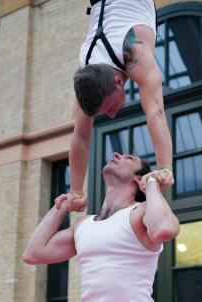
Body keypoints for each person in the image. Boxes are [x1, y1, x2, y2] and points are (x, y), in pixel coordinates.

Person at [23, 152, 179, 302]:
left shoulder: (140, 214)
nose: (116, 154)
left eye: (128, 157)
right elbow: (33, 253)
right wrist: (60, 209)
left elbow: (165, 229)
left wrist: (151, 185)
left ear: (137, 178)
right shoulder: (83, 225)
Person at [63, 0, 174, 212]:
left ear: (118, 81)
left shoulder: (134, 51)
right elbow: (81, 136)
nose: (113, 115)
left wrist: (165, 168)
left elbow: (156, 111)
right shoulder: (87, 81)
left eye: (110, 106)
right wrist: (76, 191)